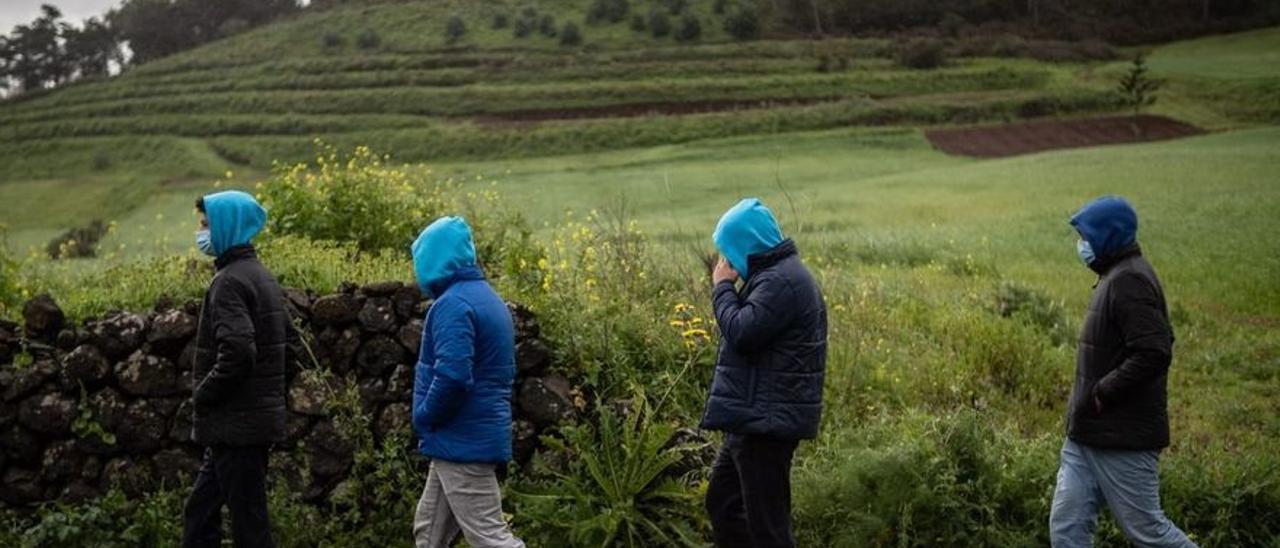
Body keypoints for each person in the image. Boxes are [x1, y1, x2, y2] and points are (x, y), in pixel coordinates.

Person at [1049, 196, 1196, 548]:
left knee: (1147, 533)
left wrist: (1103, 392)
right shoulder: (1114, 276)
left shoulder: (1130, 281)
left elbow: (1154, 350)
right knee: (1067, 529)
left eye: (1086, 237)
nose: (1081, 245)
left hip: (1120, 437)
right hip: (1086, 435)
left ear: (1107, 236)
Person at [701, 198, 827, 548]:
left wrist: (722, 287)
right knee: (724, 505)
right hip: (754, 418)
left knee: (767, 528)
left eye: (728, 250)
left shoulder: (781, 282)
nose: (725, 260)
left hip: (766, 424)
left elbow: (742, 332)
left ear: (746, 244)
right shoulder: (776, 276)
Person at [183, 190, 294, 548]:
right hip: (240, 426)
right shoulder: (261, 276)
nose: (201, 232)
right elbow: (288, 347)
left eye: (206, 224)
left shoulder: (229, 281)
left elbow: (238, 352)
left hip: (237, 427)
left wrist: (204, 394)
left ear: (227, 226)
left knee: (249, 528)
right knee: (200, 515)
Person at [409, 216, 524, 548]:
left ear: (434, 259)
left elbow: (453, 376)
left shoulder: (453, 305)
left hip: (461, 437)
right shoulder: (485, 297)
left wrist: (424, 416)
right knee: (429, 532)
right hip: (464, 436)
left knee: (489, 538)